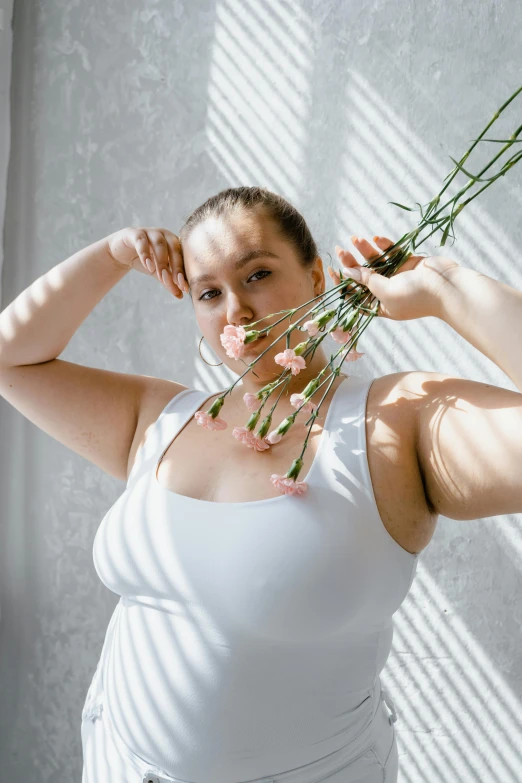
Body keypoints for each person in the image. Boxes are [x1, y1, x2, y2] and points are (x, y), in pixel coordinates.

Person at [0, 186, 520, 783]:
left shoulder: (394, 421)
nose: (236, 312)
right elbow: (10, 358)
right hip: (115, 763)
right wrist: (113, 254)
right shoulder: (160, 419)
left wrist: (445, 289)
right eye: (209, 292)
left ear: (318, 276)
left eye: (258, 275)